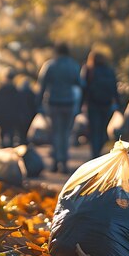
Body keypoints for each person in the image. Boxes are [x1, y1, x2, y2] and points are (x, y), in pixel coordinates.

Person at [36, 43, 82, 173]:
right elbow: (79, 82)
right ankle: (64, 161)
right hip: (69, 102)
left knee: (55, 132)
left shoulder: (50, 65)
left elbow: (42, 85)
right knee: (66, 133)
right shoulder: (73, 65)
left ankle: (56, 160)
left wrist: (38, 104)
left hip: (53, 103)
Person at [82, 50, 122, 158]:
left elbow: (84, 88)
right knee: (103, 130)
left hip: (93, 104)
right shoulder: (109, 70)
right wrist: (118, 104)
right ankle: (98, 150)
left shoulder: (89, 70)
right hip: (107, 104)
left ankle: (95, 153)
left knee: (95, 130)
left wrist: (81, 103)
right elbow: (114, 88)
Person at [0, 69, 20, 147]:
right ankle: (9, 150)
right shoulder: (15, 90)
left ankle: (3, 148)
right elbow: (18, 104)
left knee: (2, 134)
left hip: (1, 116)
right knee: (11, 135)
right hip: (12, 116)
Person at [16, 79, 37, 146]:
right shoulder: (32, 93)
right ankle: (25, 146)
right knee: (26, 133)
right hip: (29, 116)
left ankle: (22, 145)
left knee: (21, 134)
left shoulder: (19, 93)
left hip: (20, 116)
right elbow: (35, 105)